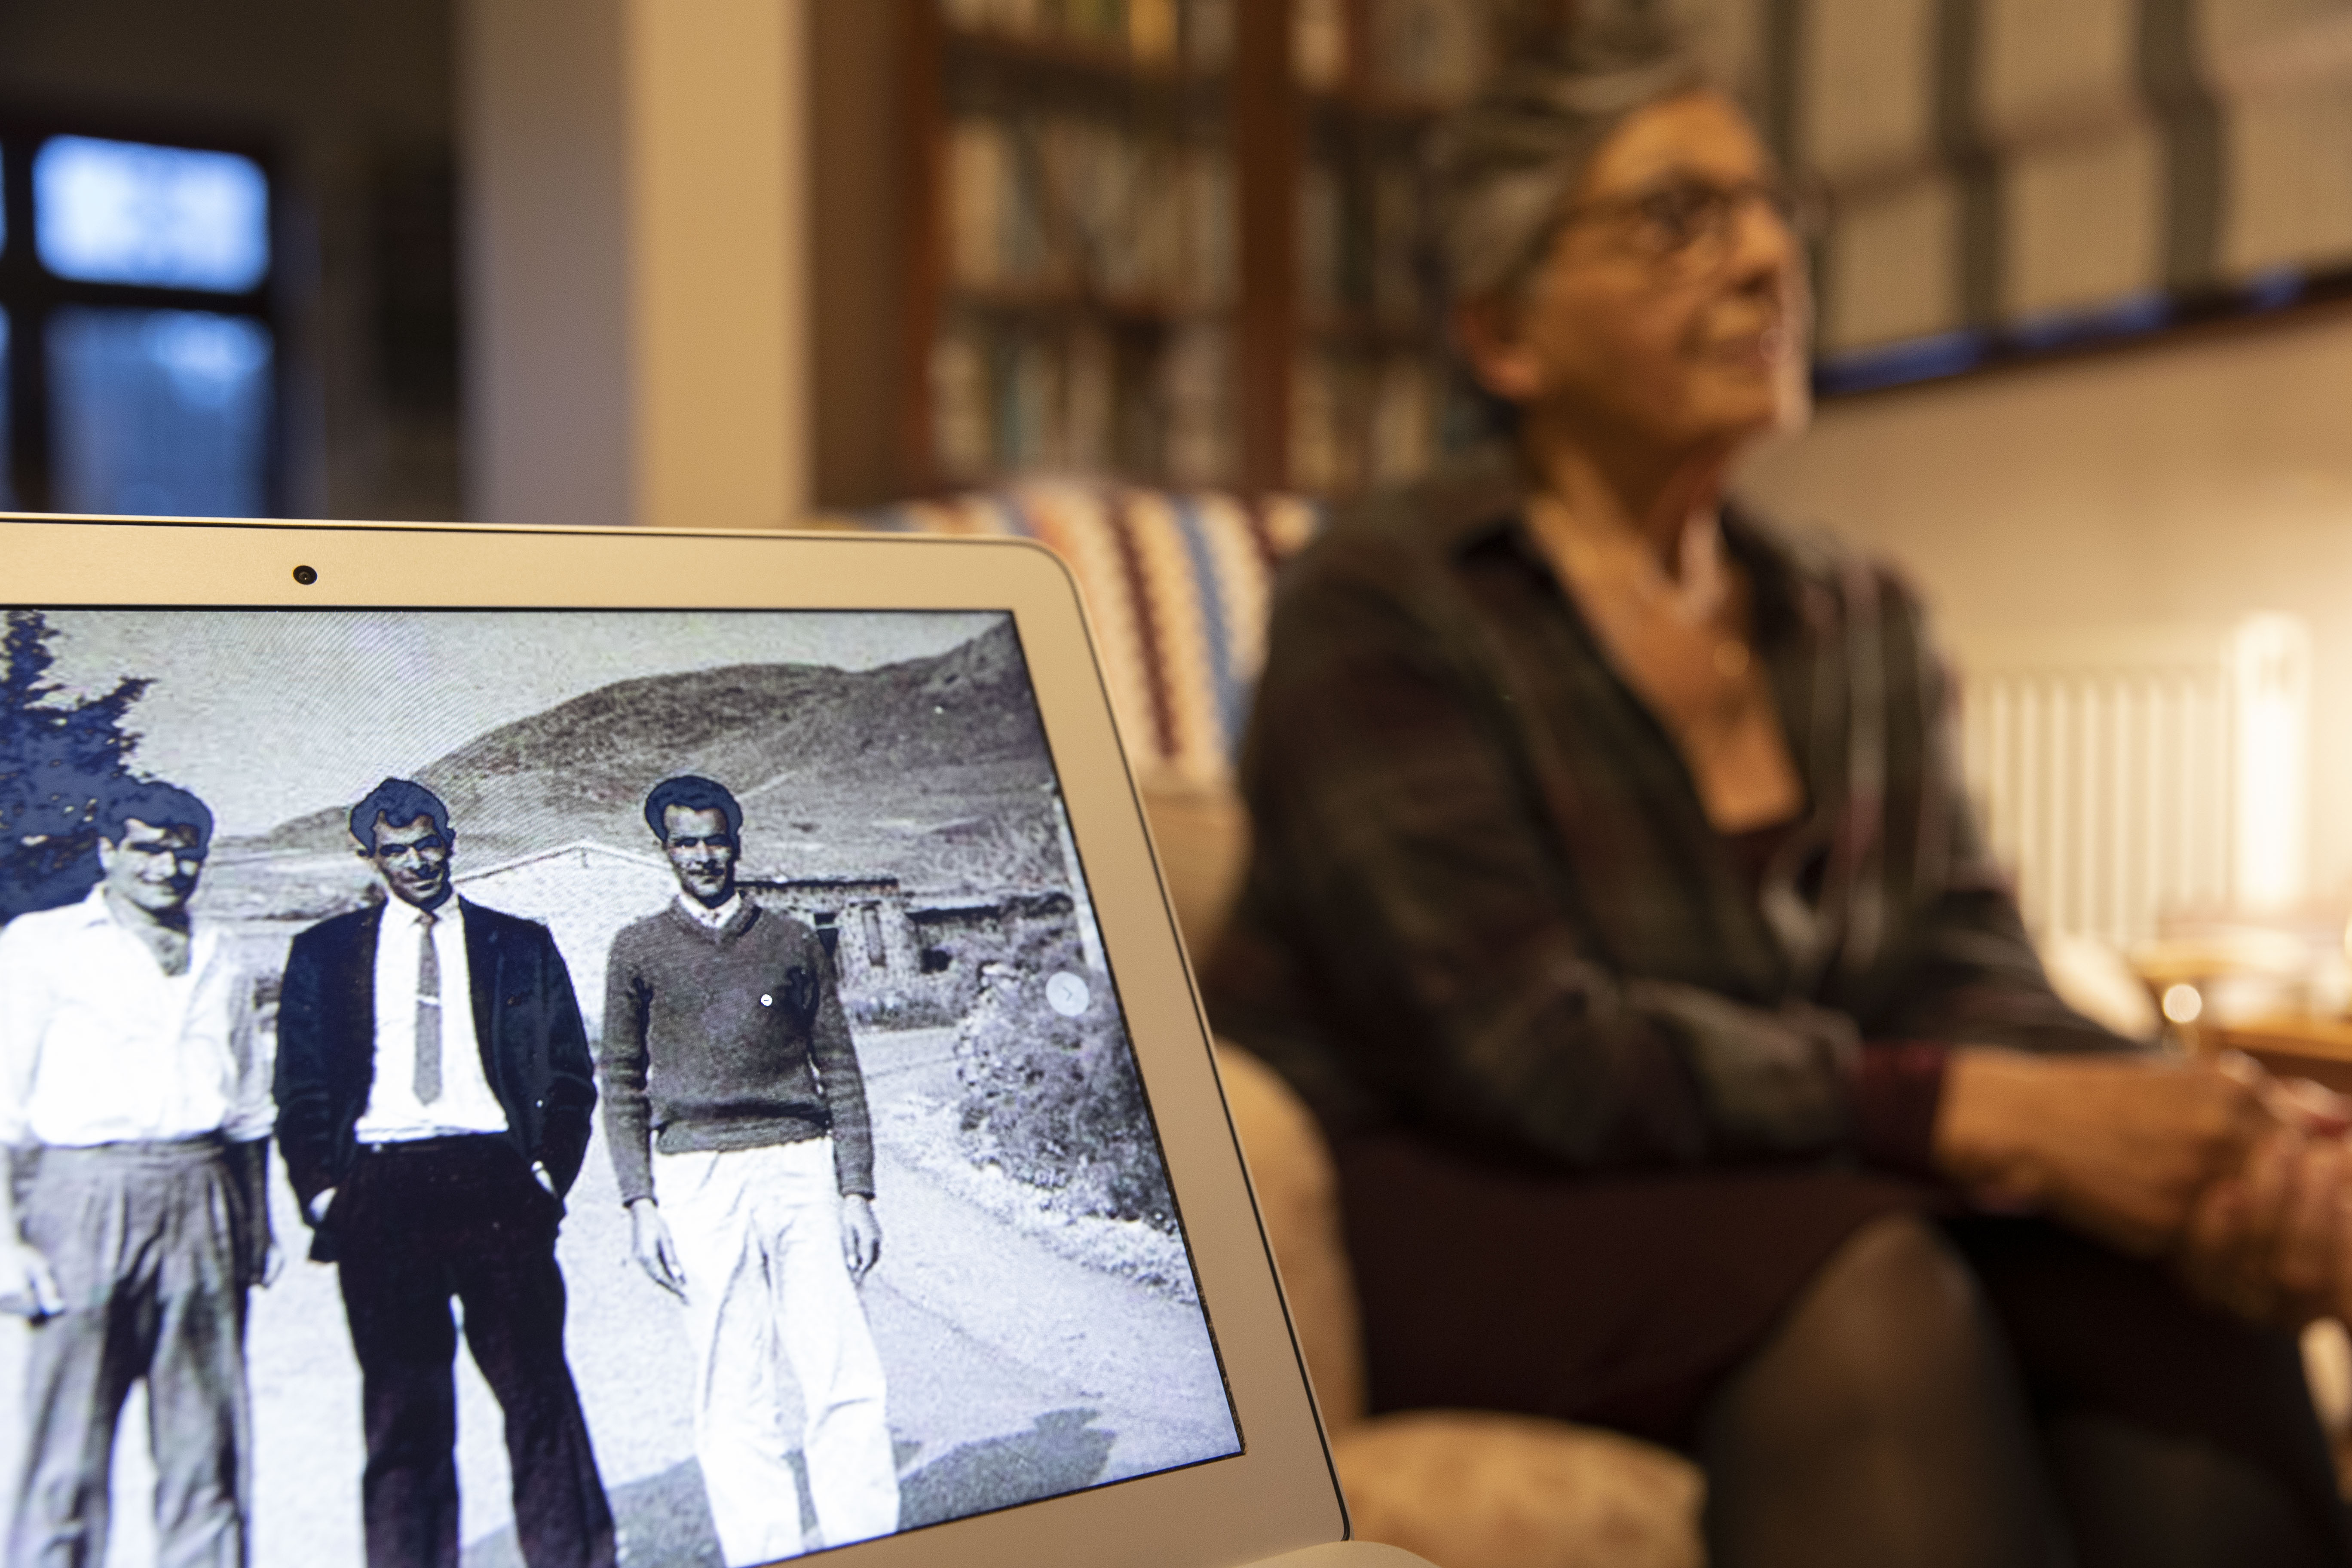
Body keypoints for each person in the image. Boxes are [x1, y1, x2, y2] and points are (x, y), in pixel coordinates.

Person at [1204, 8, 2352, 1565]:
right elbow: (1527, 1049)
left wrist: (2212, 1147)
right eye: (1677, 216)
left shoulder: (1855, 613)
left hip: (1777, 1164)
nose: (1763, 258)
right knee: (1869, 1287)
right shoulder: (1384, 602)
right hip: (1458, 1188)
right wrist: (1967, 1110)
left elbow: (1962, 966)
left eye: (1767, 206)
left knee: (2167, 1285)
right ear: (1502, 334)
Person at [274, 778, 612, 1568]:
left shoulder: (518, 943)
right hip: (381, 1187)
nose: (418, 863)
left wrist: (544, 1178)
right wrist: (325, 1195)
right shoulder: (325, 953)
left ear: (451, 841)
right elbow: (301, 1090)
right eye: (397, 851)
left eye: (429, 844)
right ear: (370, 858)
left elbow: (569, 1075)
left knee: (539, 1397)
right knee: (404, 1415)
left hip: (494, 1179)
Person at [601, 775, 898, 1565]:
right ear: (664, 850)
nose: (702, 856)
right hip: (696, 1177)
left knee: (840, 1370)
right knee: (732, 1387)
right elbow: (621, 1081)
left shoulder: (793, 940)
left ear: (736, 842)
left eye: (715, 840)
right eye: (685, 843)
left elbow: (839, 1066)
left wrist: (856, 1191)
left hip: (799, 1166)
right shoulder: (637, 948)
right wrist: (639, 1203)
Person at [0, 779, 276, 1568]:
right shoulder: (42, 945)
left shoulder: (222, 952)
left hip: (202, 1187)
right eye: (148, 849)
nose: (167, 868)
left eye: (186, 853)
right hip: (82, 1195)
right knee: (68, 1443)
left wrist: (255, 1225)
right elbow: (4, 1106)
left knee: (206, 1438)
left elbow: (248, 1108)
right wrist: (8, 1246)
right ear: (107, 852)